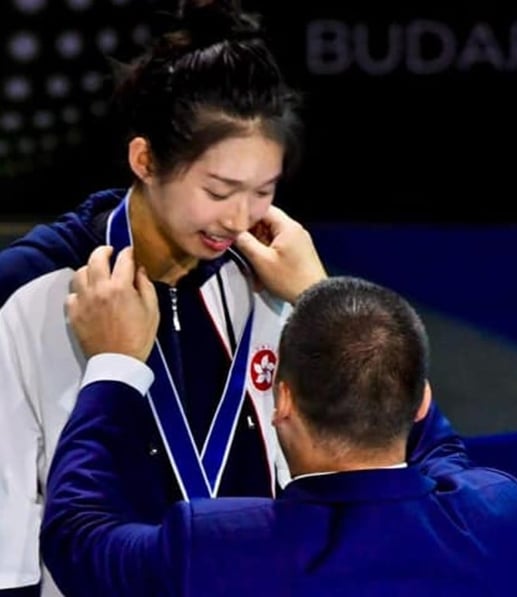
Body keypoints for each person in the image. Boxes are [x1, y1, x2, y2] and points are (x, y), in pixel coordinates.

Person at [0, 1, 325, 595]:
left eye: (263, 191)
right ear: (145, 160)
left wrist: (320, 303)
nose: (239, 218)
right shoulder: (28, 290)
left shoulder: (274, 278)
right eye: (218, 191)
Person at [40, 259, 517, 596]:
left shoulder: (217, 546)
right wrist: (328, 302)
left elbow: (76, 536)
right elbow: (442, 453)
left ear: (281, 401)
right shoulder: (502, 515)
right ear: (421, 403)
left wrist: (114, 364)